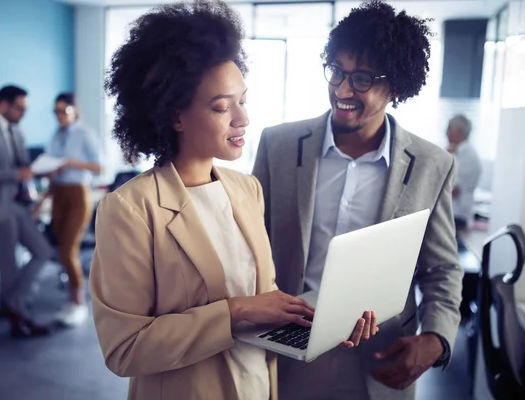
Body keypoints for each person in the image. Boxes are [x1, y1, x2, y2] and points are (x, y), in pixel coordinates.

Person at [90, 1, 376, 399]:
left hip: (259, 385)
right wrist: (235, 311)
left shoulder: (246, 190)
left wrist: (326, 323)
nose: (242, 118)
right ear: (174, 116)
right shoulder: (130, 209)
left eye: (243, 100)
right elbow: (124, 349)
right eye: (222, 107)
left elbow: (267, 302)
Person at [252, 1, 464, 399]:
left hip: (382, 361)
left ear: (396, 86)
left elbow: (442, 269)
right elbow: (246, 248)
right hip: (288, 354)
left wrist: (436, 338)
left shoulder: (432, 165)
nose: (342, 90)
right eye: (337, 71)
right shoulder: (277, 146)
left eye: (362, 79)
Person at [0, 85, 53, 338]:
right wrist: (17, 174)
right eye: (19, 108)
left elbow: (22, 165)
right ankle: (20, 317)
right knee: (9, 266)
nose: (22, 114)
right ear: (4, 104)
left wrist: (39, 169)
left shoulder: (17, 131)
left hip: (16, 205)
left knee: (42, 251)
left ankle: (14, 305)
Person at [46, 92, 101, 327]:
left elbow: (99, 166)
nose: (60, 116)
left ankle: (79, 304)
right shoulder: (56, 136)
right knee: (61, 249)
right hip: (58, 194)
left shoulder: (84, 133)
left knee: (68, 251)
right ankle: (71, 301)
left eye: (64, 111)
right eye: (56, 111)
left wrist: (70, 163)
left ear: (74, 111)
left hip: (78, 194)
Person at [446, 114, 482, 231]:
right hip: (453, 213)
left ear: (460, 132)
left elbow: (453, 189)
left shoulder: (467, 155)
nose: (446, 133)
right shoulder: (456, 151)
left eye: (449, 129)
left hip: (457, 214)